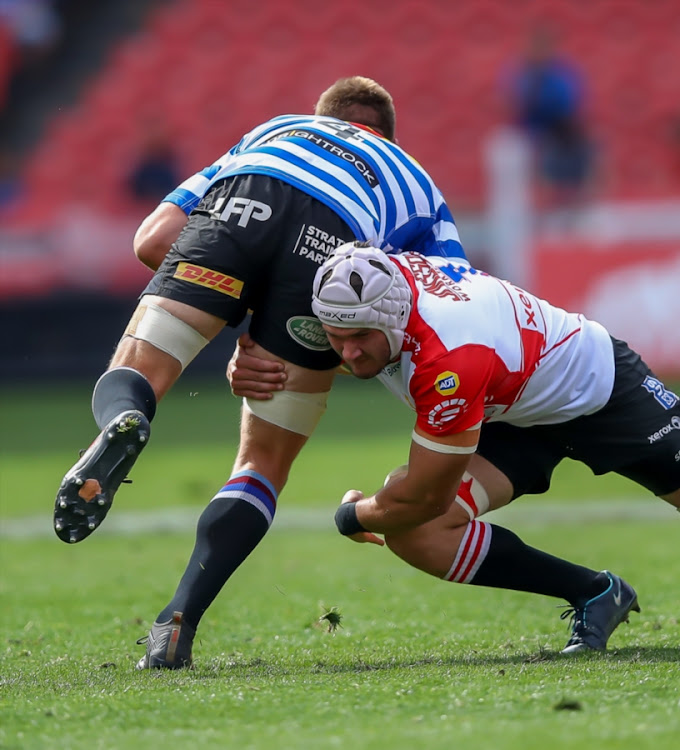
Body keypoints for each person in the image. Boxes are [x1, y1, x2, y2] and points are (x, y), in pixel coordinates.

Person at [52, 76, 468, 670]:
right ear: (389, 136)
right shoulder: (416, 183)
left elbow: (155, 240)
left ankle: (124, 417)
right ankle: (176, 624)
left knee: (140, 370)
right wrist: (275, 328)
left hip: (250, 195)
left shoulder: (276, 129)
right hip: (340, 240)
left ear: (323, 116)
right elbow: (443, 307)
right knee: (261, 465)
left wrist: (236, 315)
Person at [231, 241, 680, 653]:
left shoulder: (449, 356)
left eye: (361, 338)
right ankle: (596, 592)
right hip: (508, 411)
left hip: (598, 389)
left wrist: (353, 515)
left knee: (408, 504)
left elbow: (425, 496)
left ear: (393, 318)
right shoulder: (374, 296)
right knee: (416, 532)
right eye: (336, 337)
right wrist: (247, 364)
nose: (347, 354)